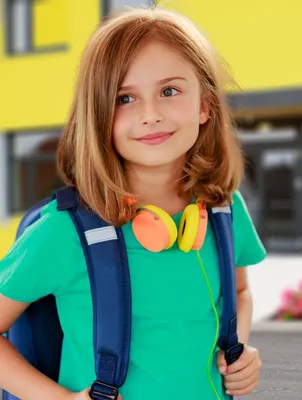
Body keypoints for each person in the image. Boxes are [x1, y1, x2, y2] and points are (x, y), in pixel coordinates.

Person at [0, 6, 266, 400]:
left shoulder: (225, 210)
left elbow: (240, 294)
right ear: (98, 116)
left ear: (205, 105)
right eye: (125, 98)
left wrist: (239, 352)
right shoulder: (64, 231)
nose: (150, 115)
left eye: (170, 91)